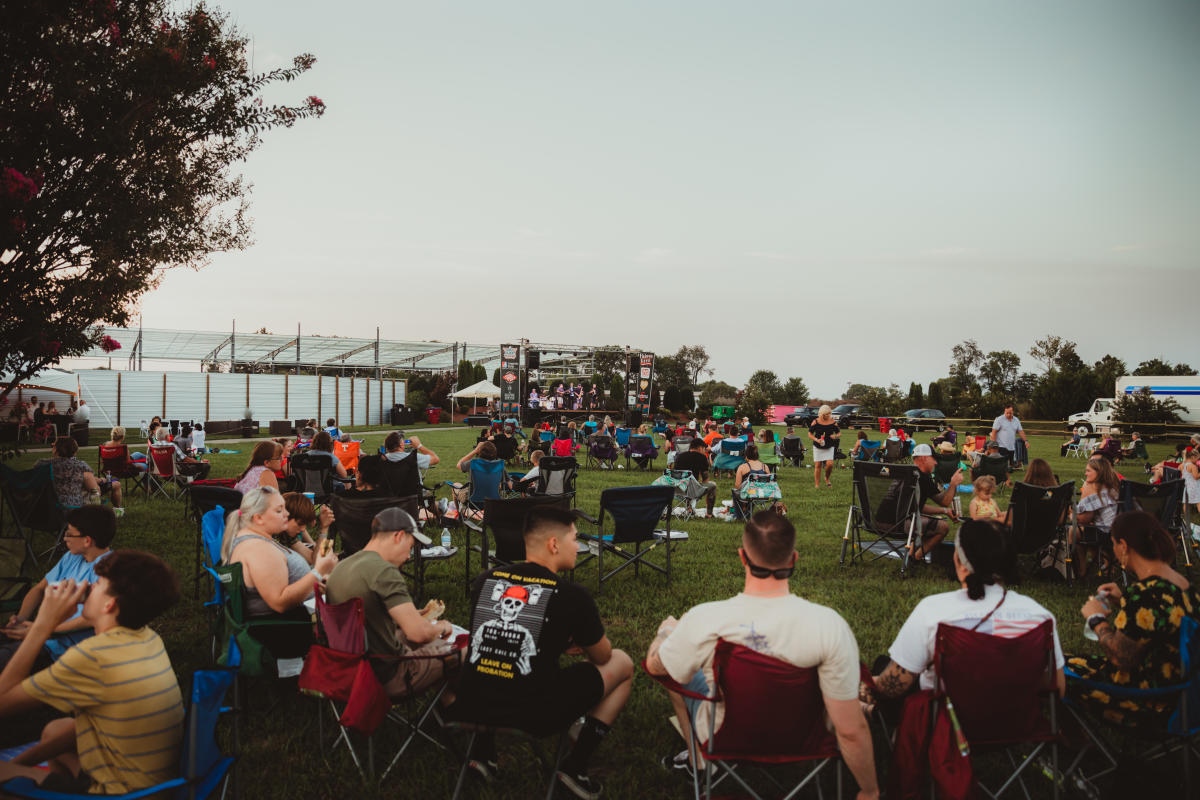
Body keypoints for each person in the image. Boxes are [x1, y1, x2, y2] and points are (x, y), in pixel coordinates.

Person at [646, 512, 878, 799]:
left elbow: (658, 668)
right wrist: (870, 790)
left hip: (725, 735)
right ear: (793, 559)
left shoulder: (706, 619)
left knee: (680, 667)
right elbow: (851, 730)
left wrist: (666, 632)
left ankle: (699, 763)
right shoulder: (829, 625)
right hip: (806, 737)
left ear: (743, 557)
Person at [451, 506, 634, 799]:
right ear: (554, 544)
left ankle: (484, 754)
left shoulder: (486, 580)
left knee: (487, 659)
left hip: (472, 705)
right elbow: (602, 657)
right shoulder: (572, 596)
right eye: (575, 538)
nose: (579, 545)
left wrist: (556, 640)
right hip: (532, 714)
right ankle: (575, 767)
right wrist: (582, 642)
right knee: (622, 662)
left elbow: (501, 640)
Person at [0, 550, 184, 794]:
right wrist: (16, 765)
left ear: (110, 604)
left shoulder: (93, 657)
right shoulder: (147, 637)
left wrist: (43, 625)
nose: (85, 586)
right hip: (150, 784)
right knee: (55, 729)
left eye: (97, 584)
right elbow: (80, 730)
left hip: (119, 793)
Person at [866, 519, 1065, 700]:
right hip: (1018, 723)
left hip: (949, 723)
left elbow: (891, 688)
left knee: (885, 667)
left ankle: (872, 710)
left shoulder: (933, 612)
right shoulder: (1040, 617)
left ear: (960, 564)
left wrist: (863, 685)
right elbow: (1057, 688)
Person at [1067, 511, 1198, 726]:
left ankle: (1074, 744)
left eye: (1113, 544)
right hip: (1184, 694)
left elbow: (1121, 658)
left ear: (1124, 546)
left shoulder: (1145, 594)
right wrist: (1125, 599)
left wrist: (1096, 620)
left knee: (1054, 667)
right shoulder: (1182, 585)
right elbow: (1161, 617)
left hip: (1146, 699)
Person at [326, 508, 456, 698]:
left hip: (348, 668)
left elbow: (365, 617)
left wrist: (411, 616)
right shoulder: (384, 572)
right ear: (399, 536)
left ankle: (447, 710)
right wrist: (443, 627)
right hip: (388, 675)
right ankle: (457, 717)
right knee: (466, 651)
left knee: (433, 643)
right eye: (410, 547)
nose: (409, 556)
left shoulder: (342, 566)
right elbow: (418, 633)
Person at [221, 487, 337, 659]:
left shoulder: (266, 539)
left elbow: (314, 557)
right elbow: (280, 602)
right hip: (286, 628)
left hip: (299, 610)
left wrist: (324, 531)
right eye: (279, 510)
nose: (285, 514)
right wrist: (318, 572)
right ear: (258, 518)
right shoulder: (260, 549)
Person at [0, 506, 115, 672]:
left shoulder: (108, 571)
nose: (65, 539)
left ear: (87, 541)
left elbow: (91, 619)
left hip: (62, 650)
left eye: (69, 534)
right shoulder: (72, 557)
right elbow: (39, 589)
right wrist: (19, 620)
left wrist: (41, 631)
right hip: (41, 633)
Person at [878, 444, 964, 562]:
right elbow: (945, 501)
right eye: (933, 458)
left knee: (920, 518)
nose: (936, 463)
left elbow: (914, 506)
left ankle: (911, 556)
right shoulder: (921, 476)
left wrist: (945, 511)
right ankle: (916, 558)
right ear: (924, 458)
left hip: (876, 522)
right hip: (899, 525)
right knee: (942, 527)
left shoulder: (905, 473)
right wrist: (953, 483)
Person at [36, 436, 123, 513]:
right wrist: (97, 495)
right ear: (75, 450)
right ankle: (111, 513)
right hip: (74, 508)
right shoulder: (80, 466)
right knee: (97, 491)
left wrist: (98, 480)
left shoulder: (41, 464)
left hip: (44, 509)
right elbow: (94, 489)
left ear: (55, 450)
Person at [1069, 456, 1120, 577]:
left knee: (1075, 530)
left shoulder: (1092, 487)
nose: (1085, 473)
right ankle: (1107, 566)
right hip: (1124, 531)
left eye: (1088, 471)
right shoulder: (1115, 485)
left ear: (1099, 472)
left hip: (1108, 534)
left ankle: (1081, 569)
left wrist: (1071, 515)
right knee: (1092, 526)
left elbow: (1082, 519)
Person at [279, 492, 334, 567]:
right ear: (285, 516)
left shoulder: (287, 534)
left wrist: (325, 528)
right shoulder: (270, 536)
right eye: (300, 524)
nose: (303, 529)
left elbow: (316, 559)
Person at [674, 438, 717, 518]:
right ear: (700, 448)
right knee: (713, 485)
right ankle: (709, 514)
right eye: (704, 449)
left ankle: (689, 509)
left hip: (677, 489)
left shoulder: (679, 456)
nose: (704, 451)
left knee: (689, 483)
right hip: (691, 490)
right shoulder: (702, 457)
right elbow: (705, 478)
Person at [732, 443, 770, 519]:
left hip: (750, 494)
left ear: (746, 455)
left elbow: (737, 485)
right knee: (752, 489)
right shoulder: (765, 467)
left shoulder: (743, 467)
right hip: (764, 494)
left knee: (736, 491)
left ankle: (739, 516)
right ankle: (748, 512)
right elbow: (769, 483)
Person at [808, 405, 840, 488]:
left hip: (829, 445)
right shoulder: (815, 421)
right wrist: (816, 439)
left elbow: (839, 433)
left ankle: (827, 478)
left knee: (830, 464)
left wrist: (835, 436)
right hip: (818, 445)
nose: (828, 416)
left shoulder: (833, 422)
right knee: (818, 465)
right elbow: (810, 434)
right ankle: (817, 485)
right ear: (822, 414)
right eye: (826, 414)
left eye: (829, 414)